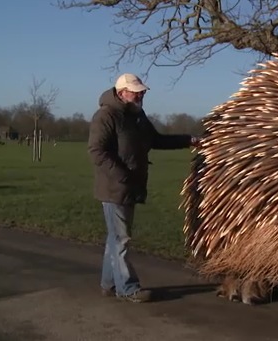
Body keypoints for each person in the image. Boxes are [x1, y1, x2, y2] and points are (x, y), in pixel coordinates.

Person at [87, 73, 200, 303]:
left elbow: (156, 140)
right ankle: (128, 288)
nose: (141, 95)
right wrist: (121, 176)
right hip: (114, 188)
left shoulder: (138, 116)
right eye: (136, 91)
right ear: (121, 93)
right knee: (121, 239)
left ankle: (108, 284)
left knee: (115, 238)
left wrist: (188, 140)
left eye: (142, 91)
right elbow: (97, 151)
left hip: (131, 186)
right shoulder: (106, 116)